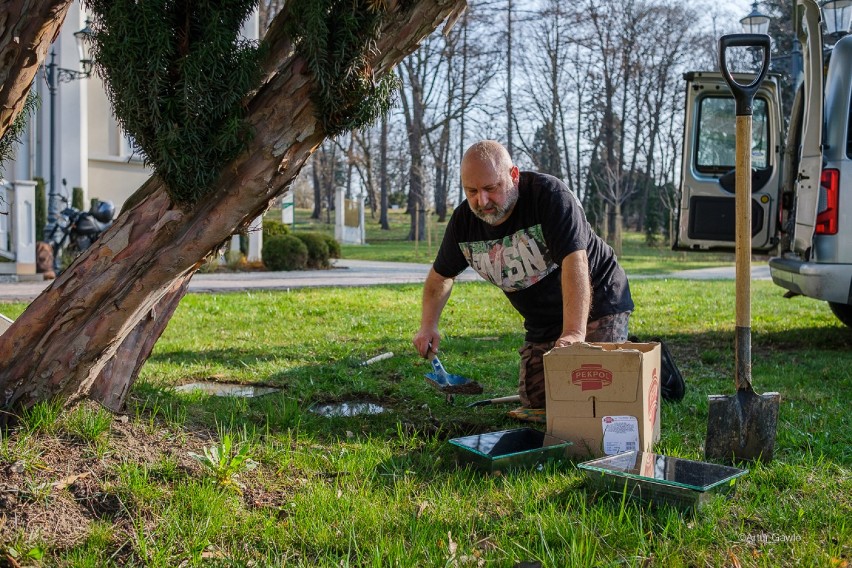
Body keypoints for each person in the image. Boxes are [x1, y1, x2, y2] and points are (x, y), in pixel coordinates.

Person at [412, 140, 634, 409]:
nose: (481, 201)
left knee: (593, 398)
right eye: (471, 191)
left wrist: (574, 332)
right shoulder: (464, 223)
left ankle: (637, 360)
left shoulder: (549, 197)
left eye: (491, 189)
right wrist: (428, 325)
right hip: (542, 321)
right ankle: (620, 351)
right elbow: (440, 277)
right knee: (538, 402)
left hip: (599, 301)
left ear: (513, 176)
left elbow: (574, 262)